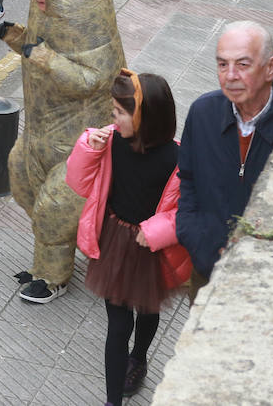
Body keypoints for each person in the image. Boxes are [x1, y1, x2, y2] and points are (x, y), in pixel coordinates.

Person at [65, 70, 187, 406]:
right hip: (115, 241)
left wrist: (156, 232)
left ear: (145, 117)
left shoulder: (178, 159)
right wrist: (88, 149)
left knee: (148, 311)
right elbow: (77, 182)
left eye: (120, 112)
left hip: (153, 247)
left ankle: (140, 357)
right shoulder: (110, 144)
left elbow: (190, 210)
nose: (113, 119)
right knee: (117, 326)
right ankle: (112, 401)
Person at [177, 21, 273, 289]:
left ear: (270, 67)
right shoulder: (202, 112)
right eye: (222, 64)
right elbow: (188, 178)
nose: (230, 76)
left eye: (242, 64)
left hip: (266, 280)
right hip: (207, 269)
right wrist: (196, 239)